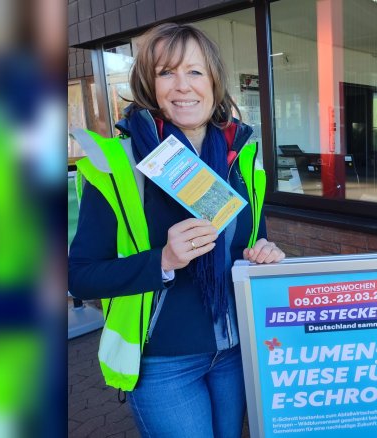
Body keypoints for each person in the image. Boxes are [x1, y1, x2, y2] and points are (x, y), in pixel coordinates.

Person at [69, 23, 284, 437]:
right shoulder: (116, 163)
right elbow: (79, 275)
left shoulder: (242, 157)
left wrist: (265, 253)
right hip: (163, 361)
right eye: (166, 72)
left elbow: (253, 240)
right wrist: (163, 260)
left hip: (236, 351)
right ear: (149, 83)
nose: (181, 86)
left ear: (215, 81)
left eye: (194, 72)